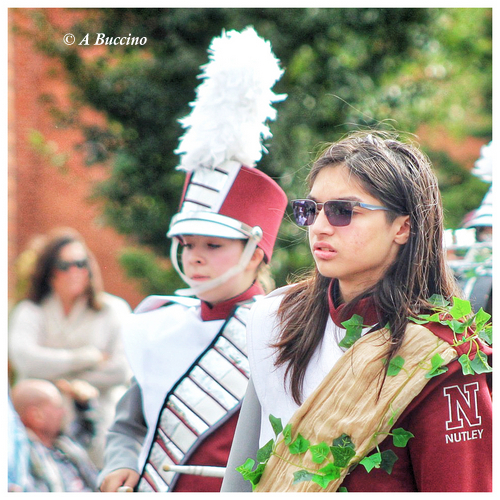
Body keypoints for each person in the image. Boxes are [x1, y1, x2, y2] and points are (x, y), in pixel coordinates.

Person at [222, 131, 492, 492]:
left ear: (403, 227)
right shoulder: (274, 318)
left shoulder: (445, 352)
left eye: (342, 211)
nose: (318, 227)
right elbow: (243, 471)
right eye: (311, 210)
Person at [98, 26, 287, 493]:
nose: (196, 257)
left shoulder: (287, 327)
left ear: (255, 250)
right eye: (188, 244)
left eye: (213, 245)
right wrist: (116, 464)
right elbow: (129, 425)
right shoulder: (158, 320)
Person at [8, 227, 132, 467]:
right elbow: (26, 361)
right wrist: (87, 358)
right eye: (64, 265)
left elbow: (121, 370)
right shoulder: (30, 311)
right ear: (48, 271)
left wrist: (61, 378)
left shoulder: (113, 310)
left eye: (80, 263)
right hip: (42, 429)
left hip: (101, 427)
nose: (74, 271)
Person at [10, 379, 99, 492]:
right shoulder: (24, 457)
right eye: (57, 406)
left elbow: (85, 432)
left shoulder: (62, 444)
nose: (63, 412)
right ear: (36, 415)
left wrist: (83, 404)